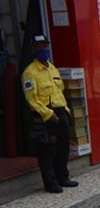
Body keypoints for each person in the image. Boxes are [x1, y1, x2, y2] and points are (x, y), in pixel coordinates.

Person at [22, 34, 77, 193]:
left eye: (45, 46)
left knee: (63, 148)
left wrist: (65, 111)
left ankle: (63, 178)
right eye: (39, 47)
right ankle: (51, 184)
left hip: (61, 112)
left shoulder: (52, 68)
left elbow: (59, 91)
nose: (43, 50)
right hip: (45, 115)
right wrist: (48, 114)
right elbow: (31, 99)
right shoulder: (30, 73)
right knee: (48, 152)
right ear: (33, 49)